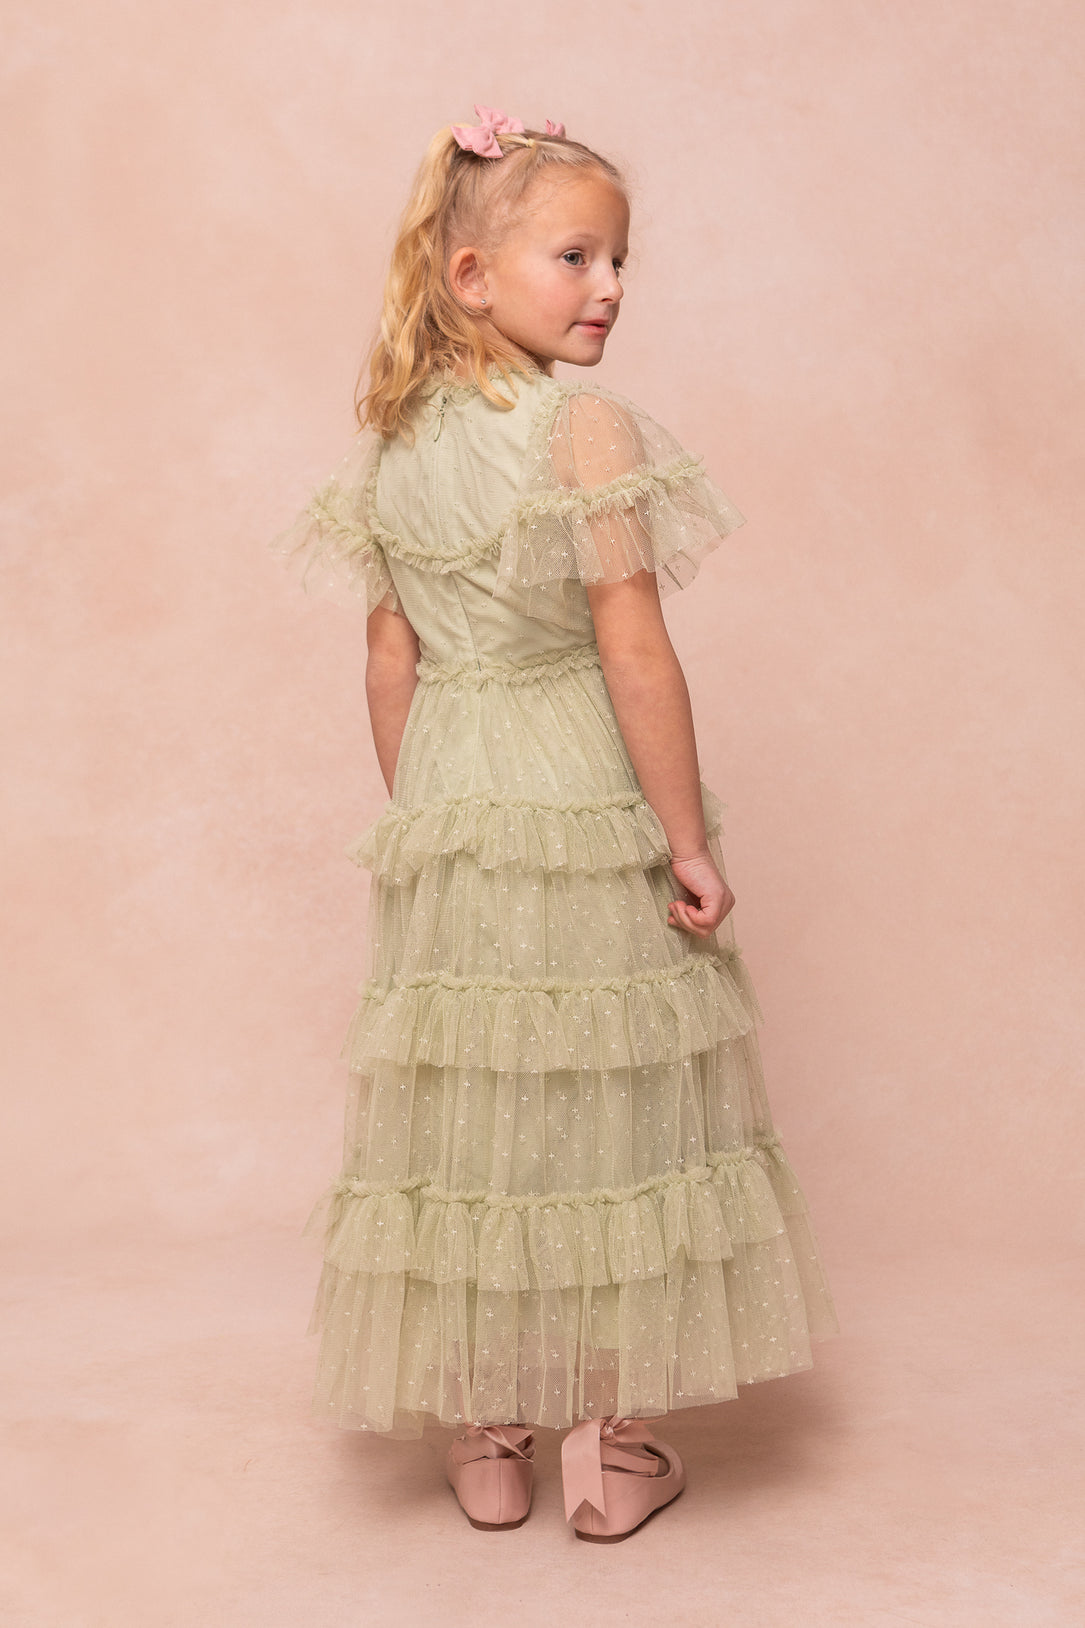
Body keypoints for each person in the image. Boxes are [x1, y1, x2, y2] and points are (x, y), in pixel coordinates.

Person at [273, 104, 838, 1543]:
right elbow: (633, 651)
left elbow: (386, 663)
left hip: (457, 797)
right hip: (583, 783)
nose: (610, 287)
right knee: (613, 1102)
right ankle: (611, 1443)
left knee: (480, 1110)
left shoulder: (392, 443)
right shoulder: (584, 433)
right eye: (575, 255)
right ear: (471, 275)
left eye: (618, 259)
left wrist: (433, 824)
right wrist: (684, 841)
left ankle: (485, 1438)